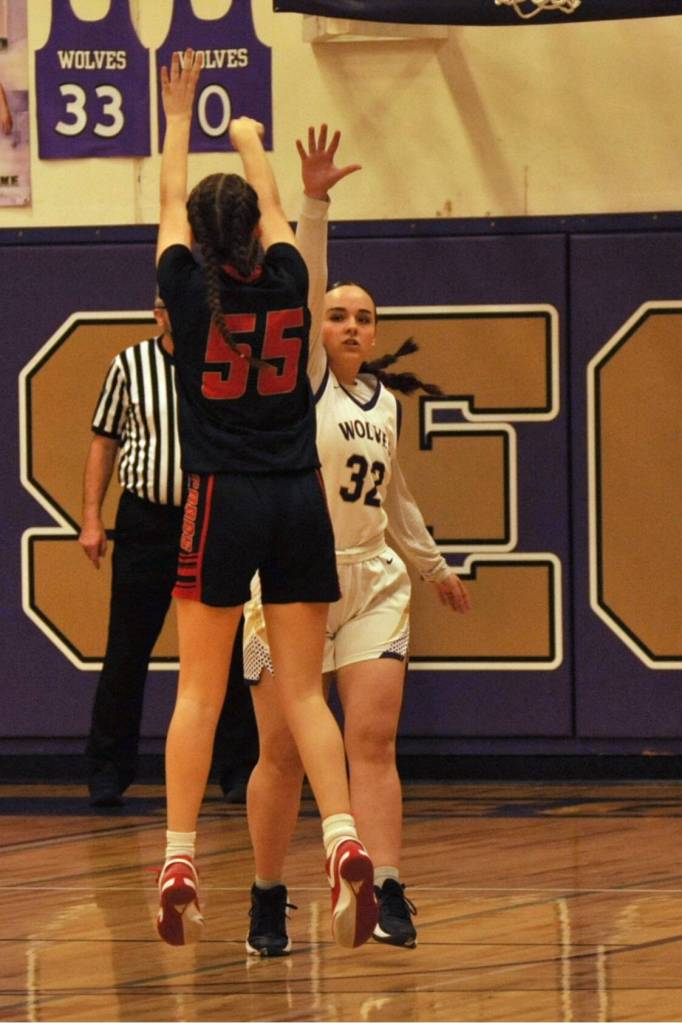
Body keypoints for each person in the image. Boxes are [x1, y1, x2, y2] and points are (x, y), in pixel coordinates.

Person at [154, 51, 376, 950]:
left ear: (199, 239)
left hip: (221, 497)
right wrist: (250, 135)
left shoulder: (181, 285)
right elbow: (277, 204)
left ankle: (177, 857)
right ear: (256, 225)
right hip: (297, 499)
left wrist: (177, 117)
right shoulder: (291, 278)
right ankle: (342, 836)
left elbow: (170, 201)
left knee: (200, 691)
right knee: (306, 697)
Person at [241, 126, 471, 956]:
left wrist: (434, 566)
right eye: (336, 313)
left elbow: (398, 498)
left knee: (373, 742)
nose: (347, 324)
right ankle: (268, 895)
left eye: (361, 318)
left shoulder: (385, 403)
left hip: (371, 580)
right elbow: (303, 287)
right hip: (290, 585)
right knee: (281, 755)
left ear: (374, 333)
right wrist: (315, 200)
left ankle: (391, 887)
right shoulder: (301, 381)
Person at [79, 298, 257, 808]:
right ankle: (108, 770)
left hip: (215, 516)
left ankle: (239, 769)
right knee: (127, 648)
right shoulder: (129, 364)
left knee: (230, 649)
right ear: (157, 314)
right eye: (164, 307)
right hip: (147, 519)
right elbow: (103, 441)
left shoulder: (228, 362)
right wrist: (92, 516)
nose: (172, 313)